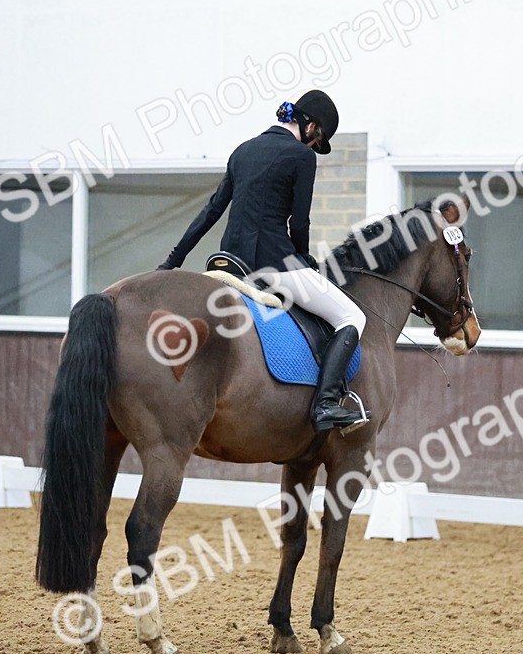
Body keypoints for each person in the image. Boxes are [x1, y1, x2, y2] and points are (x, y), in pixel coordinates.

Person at [156, 90, 369, 432]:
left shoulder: (243, 150)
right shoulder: (302, 156)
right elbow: (299, 222)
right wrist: (303, 259)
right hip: (273, 265)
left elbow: (211, 212)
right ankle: (326, 403)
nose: (314, 145)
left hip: (228, 260)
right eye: (317, 139)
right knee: (352, 316)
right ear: (310, 126)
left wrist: (171, 262)